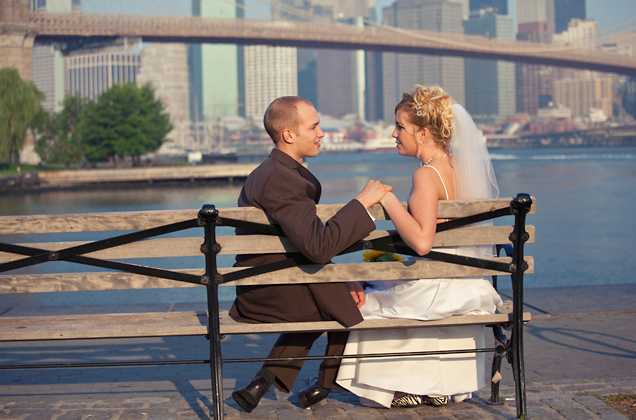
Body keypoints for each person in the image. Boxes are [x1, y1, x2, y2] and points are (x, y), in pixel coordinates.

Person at [335, 85, 503, 408]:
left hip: (433, 282)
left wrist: (387, 199)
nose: (394, 134)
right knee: (373, 258)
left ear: (423, 133)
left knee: (364, 290)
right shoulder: (459, 167)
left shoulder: (426, 176)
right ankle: (434, 384)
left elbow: (423, 242)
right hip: (463, 278)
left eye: (400, 127)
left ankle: (394, 385)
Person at [229, 96, 392, 413]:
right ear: (289, 135)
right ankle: (324, 385)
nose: (322, 133)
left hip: (277, 279)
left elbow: (305, 249)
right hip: (268, 290)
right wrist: (361, 204)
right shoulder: (281, 179)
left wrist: (341, 279)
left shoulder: (273, 172)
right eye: (314, 126)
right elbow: (317, 247)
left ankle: (264, 380)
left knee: (339, 297)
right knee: (349, 305)